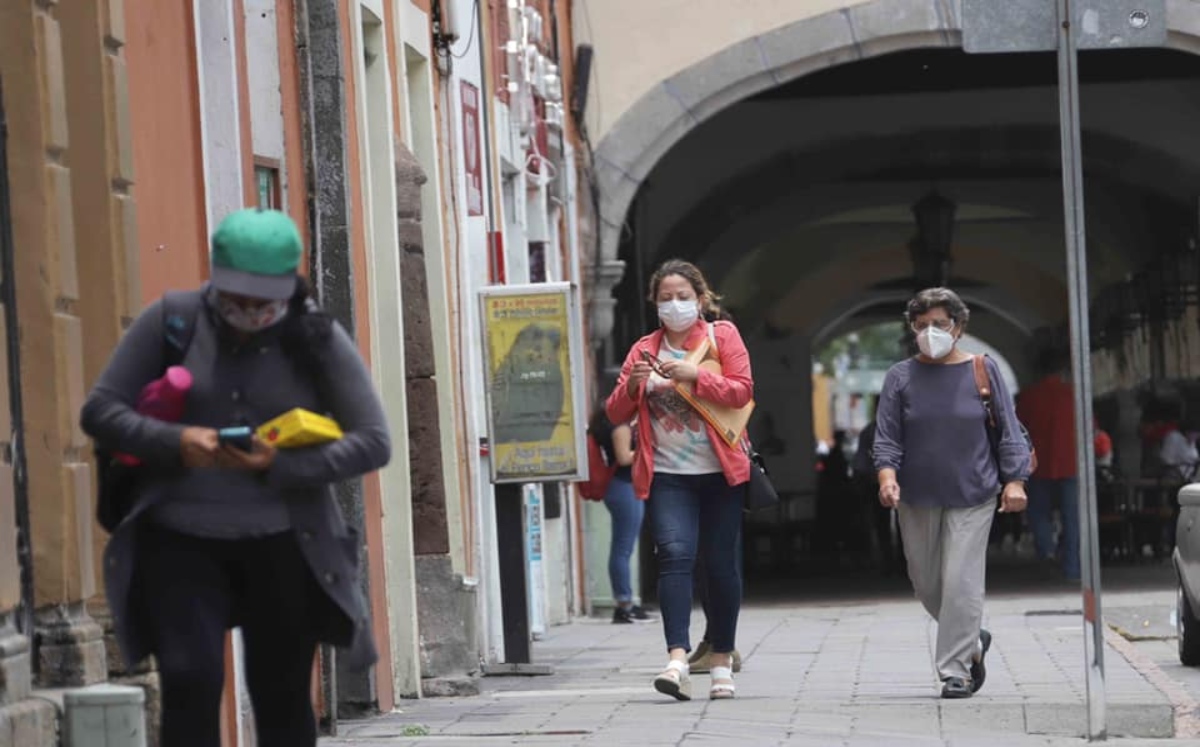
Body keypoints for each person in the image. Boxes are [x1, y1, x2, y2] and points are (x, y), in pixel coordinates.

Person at [80, 208, 391, 746]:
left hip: (286, 544)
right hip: (180, 540)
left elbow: (373, 440)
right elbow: (101, 410)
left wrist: (283, 464)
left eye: (263, 301)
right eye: (237, 298)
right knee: (189, 678)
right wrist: (176, 442)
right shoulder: (172, 321)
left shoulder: (318, 338)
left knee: (282, 691)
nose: (249, 310)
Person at [606, 258, 753, 702]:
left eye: (683, 297)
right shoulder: (643, 349)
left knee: (720, 563)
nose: (674, 305)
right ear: (655, 302)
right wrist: (633, 388)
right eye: (666, 298)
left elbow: (743, 390)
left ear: (701, 300)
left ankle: (722, 660)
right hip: (668, 474)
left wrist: (697, 377)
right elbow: (614, 413)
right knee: (674, 555)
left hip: (721, 474)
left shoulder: (720, 337)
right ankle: (676, 659)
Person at [873, 287, 1031, 700]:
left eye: (939, 324)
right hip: (915, 495)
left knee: (960, 581)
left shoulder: (982, 369)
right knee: (927, 583)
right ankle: (970, 637)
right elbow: (887, 437)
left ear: (957, 327)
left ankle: (955, 670)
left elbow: (1010, 429)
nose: (930, 332)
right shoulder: (900, 376)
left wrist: (1014, 481)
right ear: (912, 328)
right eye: (921, 325)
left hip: (975, 492)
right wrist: (886, 477)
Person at [1017, 347, 1080, 580]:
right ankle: (1073, 567)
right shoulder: (1073, 394)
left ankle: (1047, 550)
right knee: (1072, 518)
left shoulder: (1029, 397)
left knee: (1038, 513)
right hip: (1071, 463)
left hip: (1038, 464)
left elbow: (1017, 431)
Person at [588, 409, 654, 623]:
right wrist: (649, 449)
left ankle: (625, 602)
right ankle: (624, 604)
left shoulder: (615, 424)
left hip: (620, 488)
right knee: (623, 547)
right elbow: (624, 457)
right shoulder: (622, 426)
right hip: (624, 488)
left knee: (622, 547)